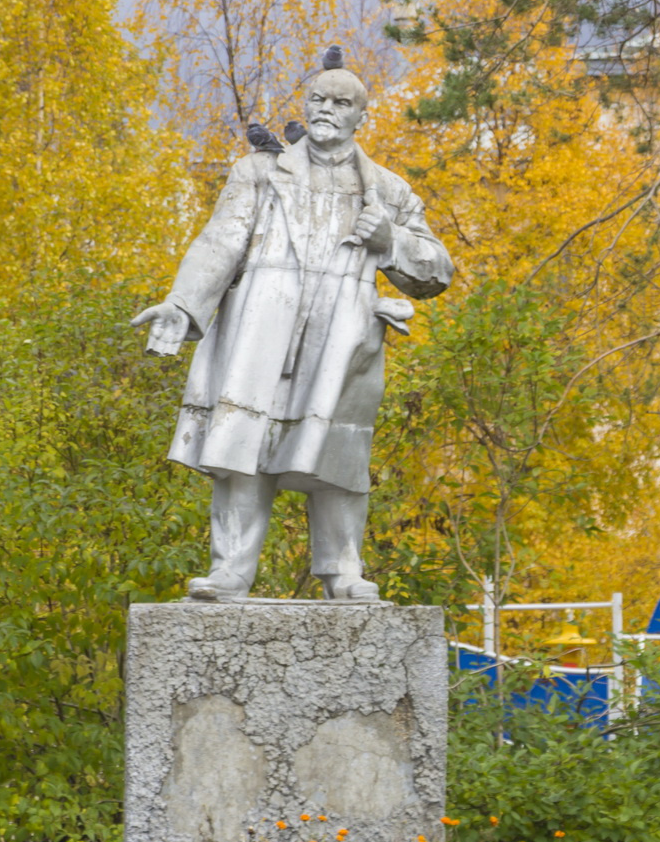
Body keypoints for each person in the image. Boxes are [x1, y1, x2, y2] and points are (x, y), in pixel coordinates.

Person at [132, 58, 454, 600]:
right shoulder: (258, 172)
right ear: (305, 106)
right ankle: (231, 570)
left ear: (362, 117)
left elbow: (437, 269)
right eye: (318, 100)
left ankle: (343, 572)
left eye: (341, 102)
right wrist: (182, 305)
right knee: (244, 447)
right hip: (260, 328)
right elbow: (219, 242)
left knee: (338, 455)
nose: (326, 110)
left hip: (341, 340)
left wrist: (390, 241)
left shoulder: (389, 192)